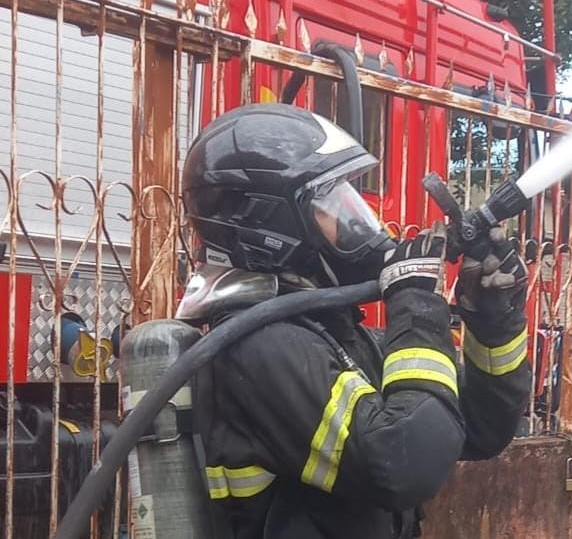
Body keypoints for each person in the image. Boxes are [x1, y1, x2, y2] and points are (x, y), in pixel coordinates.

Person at [179, 104, 531, 539]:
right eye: (331, 203)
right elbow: (404, 466)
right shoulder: (260, 348)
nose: (355, 221)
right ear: (270, 223)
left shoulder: (334, 336)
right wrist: (418, 309)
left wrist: (493, 324)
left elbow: (477, 430)